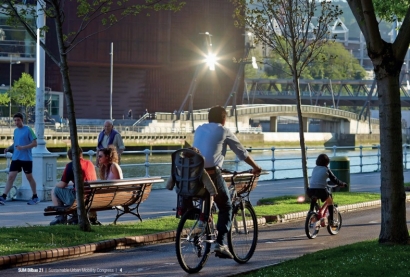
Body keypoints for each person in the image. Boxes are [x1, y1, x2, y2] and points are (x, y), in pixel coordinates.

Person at [192, 105, 261, 259]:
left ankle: (203, 223)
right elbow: (241, 152)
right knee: (226, 206)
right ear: (224, 119)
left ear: (209, 118)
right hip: (212, 174)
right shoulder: (224, 131)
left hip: (194, 174)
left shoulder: (200, 129)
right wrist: (255, 167)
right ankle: (220, 243)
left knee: (210, 199)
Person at [49, 147, 97, 225]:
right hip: (91, 196)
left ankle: (60, 217)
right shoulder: (90, 163)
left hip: (78, 199)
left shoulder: (71, 165)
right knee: (71, 188)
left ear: (70, 156)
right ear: (81, 154)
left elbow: (62, 184)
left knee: (54, 190)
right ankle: (76, 216)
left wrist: (55, 184)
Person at [0, 112, 38, 205]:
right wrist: (9, 148)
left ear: (22, 120)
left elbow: (35, 143)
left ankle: (35, 196)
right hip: (16, 157)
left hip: (26, 158)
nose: (16, 122)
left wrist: (23, 147)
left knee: (29, 177)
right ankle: (3, 196)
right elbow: (16, 143)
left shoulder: (28, 130)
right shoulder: (15, 131)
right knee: (11, 177)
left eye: (18, 120)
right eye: (15, 120)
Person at [307, 154, 347, 226]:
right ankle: (331, 221)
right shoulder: (326, 169)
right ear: (327, 162)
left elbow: (318, 179)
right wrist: (342, 184)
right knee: (330, 202)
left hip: (310, 190)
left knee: (314, 198)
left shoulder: (315, 168)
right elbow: (335, 180)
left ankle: (310, 212)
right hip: (321, 191)